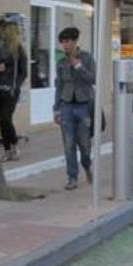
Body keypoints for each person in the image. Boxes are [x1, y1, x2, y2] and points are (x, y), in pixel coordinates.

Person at [53, 27, 96, 190]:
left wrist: (78, 66)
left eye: (68, 42)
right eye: (63, 42)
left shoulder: (86, 58)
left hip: (84, 105)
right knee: (68, 144)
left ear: (75, 41)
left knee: (85, 144)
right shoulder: (61, 62)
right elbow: (59, 86)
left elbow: (93, 79)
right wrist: (56, 109)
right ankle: (72, 177)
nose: (66, 45)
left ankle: (87, 164)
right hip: (66, 106)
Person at [0, 23, 28, 161]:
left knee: (6, 119)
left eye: (3, 30)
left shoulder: (18, 50)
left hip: (11, 90)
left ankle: (14, 145)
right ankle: (7, 150)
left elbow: (23, 73)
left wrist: (15, 86)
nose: (1, 33)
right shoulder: (0, 47)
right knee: (1, 121)